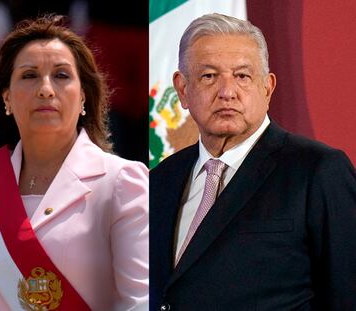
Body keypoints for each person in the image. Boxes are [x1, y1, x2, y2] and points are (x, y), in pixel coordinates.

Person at [150, 13, 356, 310]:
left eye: (242, 76)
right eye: (209, 76)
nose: (227, 92)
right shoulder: (159, 180)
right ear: (183, 89)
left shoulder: (318, 171)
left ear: (268, 88)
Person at [0, 15, 148, 311]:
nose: (46, 89)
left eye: (62, 75)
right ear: (6, 99)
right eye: (29, 76)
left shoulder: (122, 183)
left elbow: (138, 304)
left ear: (84, 98)